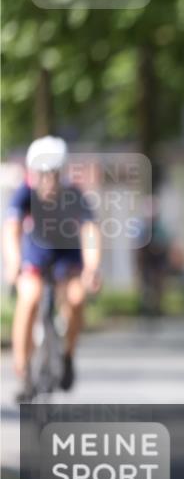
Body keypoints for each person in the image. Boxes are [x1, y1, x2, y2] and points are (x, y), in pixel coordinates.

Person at [3, 136, 102, 402]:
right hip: (35, 257)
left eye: (53, 175)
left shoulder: (74, 195)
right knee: (30, 297)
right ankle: (23, 370)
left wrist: (92, 267)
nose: (48, 181)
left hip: (67, 259)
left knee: (77, 299)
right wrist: (13, 264)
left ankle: (67, 355)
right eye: (42, 174)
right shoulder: (25, 193)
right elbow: (11, 230)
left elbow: (89, 231)